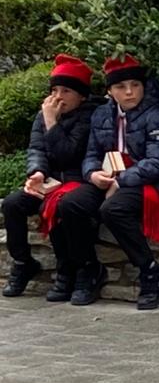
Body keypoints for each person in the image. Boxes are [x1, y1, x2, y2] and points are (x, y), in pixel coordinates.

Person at [55, 55, 159, 310]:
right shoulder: (101, 115)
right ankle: (90, 270)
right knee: (70, 205)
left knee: (113, 209)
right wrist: (92, 175)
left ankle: (149, 271)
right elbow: (91, 155)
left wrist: (120, 182)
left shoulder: (157, 115)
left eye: (135, 84)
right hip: (112, 178)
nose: (130, 92)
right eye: (121, 87)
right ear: (110, 91)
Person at [2, 55, 95, 301]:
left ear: (82, 96)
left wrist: (51, 122)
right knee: (12, 204)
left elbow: (68, 154)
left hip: (80, 181)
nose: (58, 97)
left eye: (66, 90)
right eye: (54, 90)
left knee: (59, 206)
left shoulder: (89, 117)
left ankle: (78, 269)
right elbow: (36, 149)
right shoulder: (43, 116)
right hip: (51, 181)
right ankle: (23, 262)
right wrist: (37, 173)